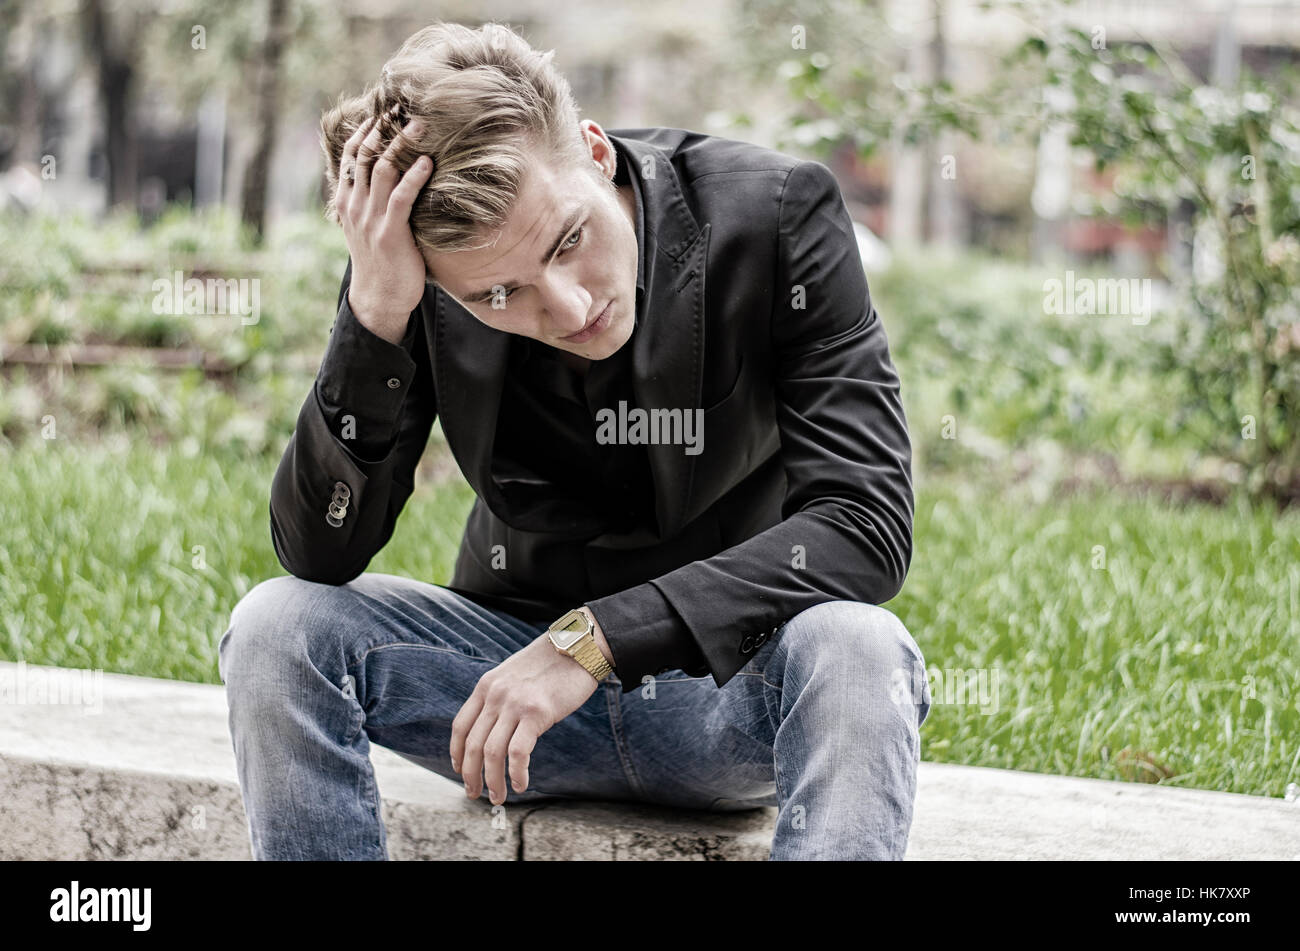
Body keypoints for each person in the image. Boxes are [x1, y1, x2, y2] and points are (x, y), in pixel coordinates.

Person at [218, 19, 931, 861]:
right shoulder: (419, 281)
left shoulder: (776, 216)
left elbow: (865, 523)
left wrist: (591, 640)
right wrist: (374, 315)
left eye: (569, 241)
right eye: (498, 296)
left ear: (595, 149)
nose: (564, 308)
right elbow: (319, 553)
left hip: (732, 694)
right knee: (274, 626)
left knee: (859, 645)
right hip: (506, 710)